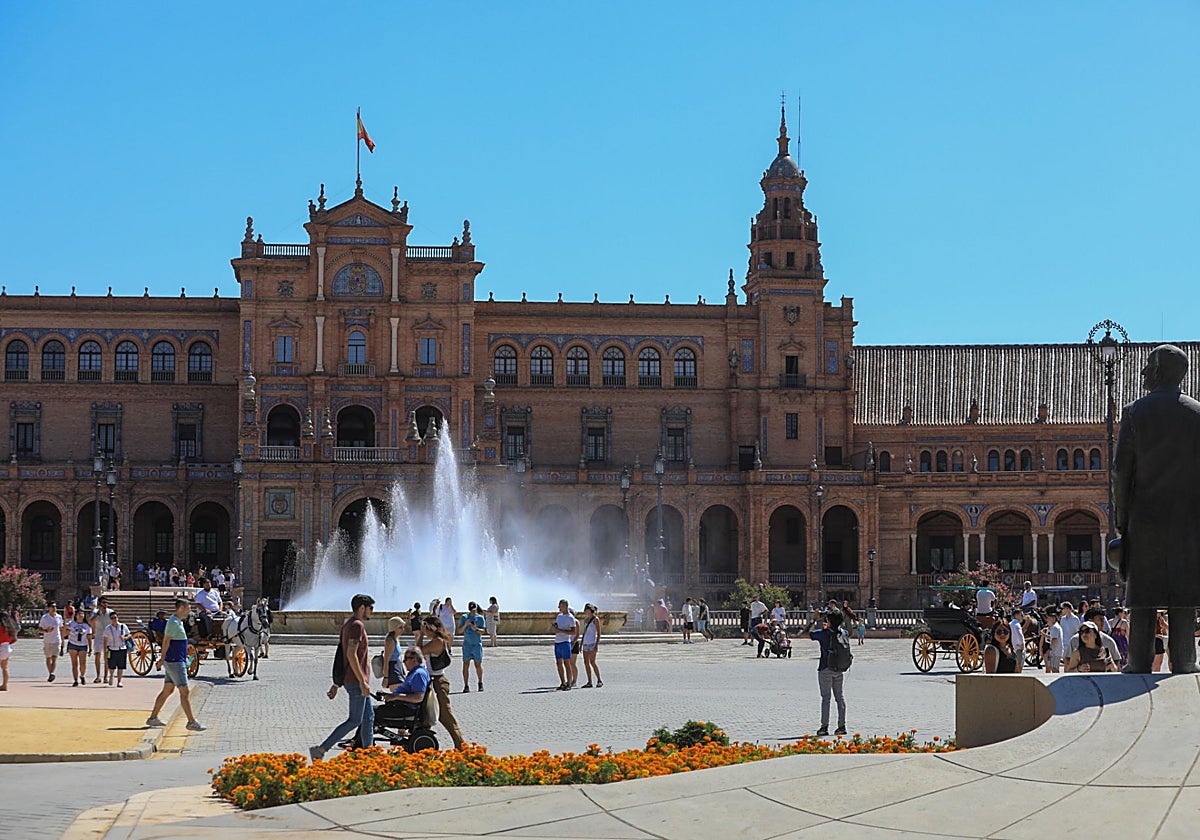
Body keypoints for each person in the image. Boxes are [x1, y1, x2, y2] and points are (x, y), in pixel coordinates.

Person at [1111, 344, 1200, 674]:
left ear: (1160, 370)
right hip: (1188, 521)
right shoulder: (1197, 414)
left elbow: (1121, 470)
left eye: (1148, 365)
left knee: (1144, 595)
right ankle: (1186, 660)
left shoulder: (1135, 413)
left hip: (1145, 518)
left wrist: (1122, 518)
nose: (1144, 371)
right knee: (1184, 595)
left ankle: (1137, 661)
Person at [310, 593, 375, 760]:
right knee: (354, 720)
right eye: (370, 608)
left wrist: (336, 684)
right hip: (356, 682)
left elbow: (341, 656)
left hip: (355, 680)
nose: (372, 612)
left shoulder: (348, 625)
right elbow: (350, 654)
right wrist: (362, 682)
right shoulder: (356, 626)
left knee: (368, 718)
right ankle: (321, 749)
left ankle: (368, 755)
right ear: (362, 608)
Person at [147, 599, 205, 731]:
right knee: (184, 691)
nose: (190, 610)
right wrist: (161, 659)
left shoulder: (177, 622)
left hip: (175, 660)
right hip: (175, 662)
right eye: (188, 608)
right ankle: (191, 721)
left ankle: (153, 718)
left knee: (168, 690)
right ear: (182, 608)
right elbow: (166, 641)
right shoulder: (173, 622)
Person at [417, 614, 465, 748]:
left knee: (445, 715)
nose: (424, 631)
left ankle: (461, 745)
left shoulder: (437, 641)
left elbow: (418, 652)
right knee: (426, 713)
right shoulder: (438, 639)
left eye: (425, 628)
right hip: (432, 680)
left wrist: (420, 635)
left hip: (438, 681)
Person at [807, 608, 849, 736]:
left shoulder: (823, 633)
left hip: (825, 668)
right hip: (839, 669)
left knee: (826, 698)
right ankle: (842, 726)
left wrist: (814, 620)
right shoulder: (844, 633)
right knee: (840, 697)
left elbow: (807, 634)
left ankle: (824, 727)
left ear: (829, 620)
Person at [457, 601, 485, 692]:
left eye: (474, 610)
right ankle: (466, 685)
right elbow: (460, 631)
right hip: (467, 644)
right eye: (471, 610)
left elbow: (483, 631)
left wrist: (476, 629)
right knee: (466, 664)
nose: (472, 612)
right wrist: (466, 624)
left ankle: (480, 683)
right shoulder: (464, 617)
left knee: (478, 664)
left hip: (476, 644)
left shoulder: (480, 618)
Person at [552, 599, 579, 690]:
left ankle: (569, 683)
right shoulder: (559, 616)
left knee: (567, 663)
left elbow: (573, 632)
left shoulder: (570, 618)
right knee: (558, 662)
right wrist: (555, 627)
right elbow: (558, 625)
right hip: (558, 642)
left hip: (565, 642)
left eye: (560, 606)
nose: (558, 608)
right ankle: (563, 682)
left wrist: (560, 631)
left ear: (565, 606)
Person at [101, 611, 131, 688]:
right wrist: (105, 651)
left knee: (121, 666)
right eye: (112, 618)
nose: (114, 619)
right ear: (110, 619)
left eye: (115, 617)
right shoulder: (108, 628)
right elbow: (105, 640)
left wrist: (125, 638)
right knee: (111, 665)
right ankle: (111, 675)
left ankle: (119, 681)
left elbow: (129, 634)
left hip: (122, 648)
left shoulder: (123, 626)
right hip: (111, 649)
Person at [65, 608, 92, 687]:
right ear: (75, 615)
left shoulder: (86, 626)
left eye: (82, 614)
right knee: (74, 664)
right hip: (73, 643)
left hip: (83, 645)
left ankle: (82, 675)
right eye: (79, 614)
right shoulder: (71, 623)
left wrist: (90, 648)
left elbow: (89, 637)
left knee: (82, 663)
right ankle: (75, 680)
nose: (80, 616)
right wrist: (66, 629)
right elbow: (65, 633)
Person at [579, 603, 603, 687]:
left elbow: (599, 633)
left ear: (589, 610)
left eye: (586, 609)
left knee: (592, 662)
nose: (585, 611)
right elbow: (584, 632)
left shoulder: (595, 619)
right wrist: (581, 643)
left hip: (592, 643)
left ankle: (599, 680)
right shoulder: (586, 620)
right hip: (586, 643)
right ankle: (589, 681)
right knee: (586, 662)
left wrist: (596, 644)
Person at [38, 602, 63, 682]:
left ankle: (52, 673)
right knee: (48, 658)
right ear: (49, 608)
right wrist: (46, 630)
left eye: (55, 606)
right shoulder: (45, 617)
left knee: (54, 658)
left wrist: (63, 641)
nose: (54, 608)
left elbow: (61, 629)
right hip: (47, 640)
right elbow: (39, 629)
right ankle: (50, 673)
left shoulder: (59, 617)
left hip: (57, 639)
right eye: (52, 606)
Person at [90, 595, 113, 683]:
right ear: (100, 604)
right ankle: (98, 676)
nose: (105, 605)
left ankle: (106, 676)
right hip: (98, 636)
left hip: (108, 637)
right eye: (103, 603)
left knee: (107, 657)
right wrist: (98, 614)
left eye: (106, 603)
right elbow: (91, 621)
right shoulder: (95, 612)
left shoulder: (111, 612)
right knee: (97, 655)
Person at [383, 616, 405, 689]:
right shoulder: (390, 641)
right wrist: (386, 677)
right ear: (394, 628)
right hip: (393, 670)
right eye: (400, 627)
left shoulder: (396, 639)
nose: (402, 629)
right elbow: (386, 660)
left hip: (398, 668)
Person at [0, 610, 17, 691]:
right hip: (7, 647)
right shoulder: (10, 628)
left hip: (1, 646)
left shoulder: (1, 628)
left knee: (4, 667)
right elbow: (14, 639)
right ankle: (4, 685)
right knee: (5, 667)